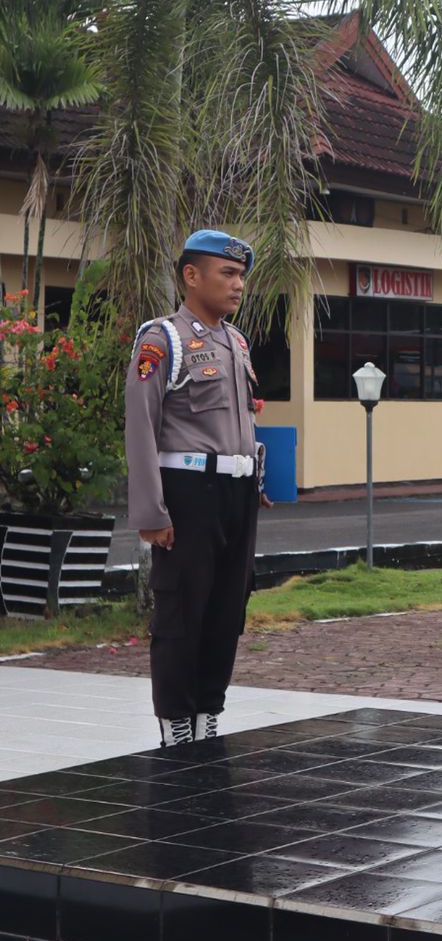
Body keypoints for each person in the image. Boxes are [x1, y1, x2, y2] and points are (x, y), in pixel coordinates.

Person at [125, 230, 265, 746]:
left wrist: (255, 477)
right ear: (191, 276)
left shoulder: (236, 342)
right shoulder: (164, 339)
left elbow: (243, 419)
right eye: (227, 273)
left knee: (227, 610)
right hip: (188, 494)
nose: (238, 284)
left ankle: (208, 713)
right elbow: (141, 425)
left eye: (241, 275)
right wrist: (151, 511)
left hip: (237, 494)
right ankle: (177, 724)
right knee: (182, 610)